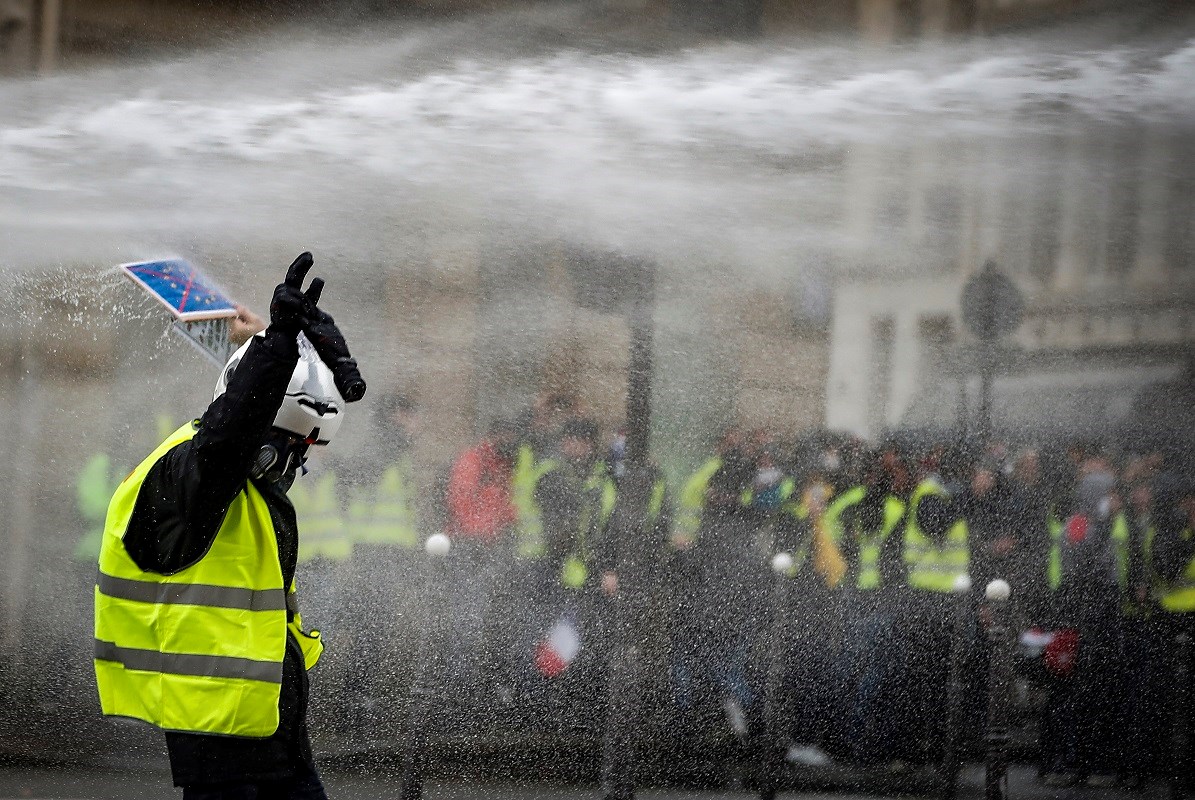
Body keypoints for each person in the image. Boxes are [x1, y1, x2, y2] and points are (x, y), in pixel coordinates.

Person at [93, 253, 365, 799]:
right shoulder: (192, 474)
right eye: (290, 450)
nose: (295, 466)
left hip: (272, 736)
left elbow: (245, 410)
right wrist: (278, 341)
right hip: (223, 748)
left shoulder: (240, 488)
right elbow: (230, 431)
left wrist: (272, 341)